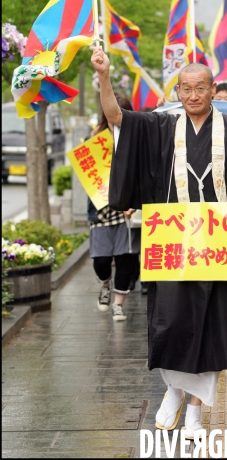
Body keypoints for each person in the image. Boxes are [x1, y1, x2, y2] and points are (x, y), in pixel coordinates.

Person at [91, 47, 227, 439]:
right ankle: (174, 390)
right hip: (173, 239)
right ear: (177, 92)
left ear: (213, 90)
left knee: (211, 326)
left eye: (201, 88)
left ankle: (194, 411)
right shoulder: (161, 127)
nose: (193, 95)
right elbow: (116, 117)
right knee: (170, 322)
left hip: (221, 241)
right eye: (186, 89)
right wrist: (105, 77)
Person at [88, 94, 140, 321]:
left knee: (125, 258)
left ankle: (118, 304)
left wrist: (134, 203)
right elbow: (89, 174)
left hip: (126, 210)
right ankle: (105, 284)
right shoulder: (96, 137)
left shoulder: (135, 136)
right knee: (100, 260)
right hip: (101, 210)